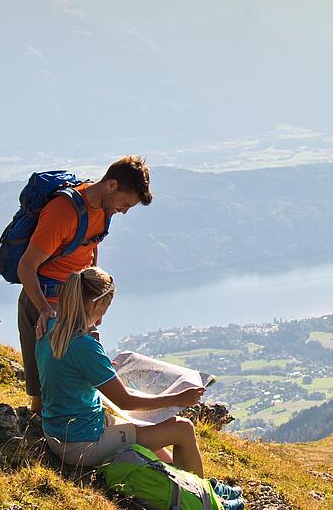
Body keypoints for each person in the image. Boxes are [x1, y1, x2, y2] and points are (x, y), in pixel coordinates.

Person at [36, 266, 209, 472]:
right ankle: (202, 492)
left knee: (150, 437)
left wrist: (100, 369)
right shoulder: (84, 346)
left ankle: (177, 476)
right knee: (183, 429)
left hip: (62, 429)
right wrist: (178, 398)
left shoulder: (49, 325)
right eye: (105, 308)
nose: (101, 319)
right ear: (97, 303)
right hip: (81, 443)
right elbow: (126, 402)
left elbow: (66, 372)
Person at [18, 155, 152, 415]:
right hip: (45, 303)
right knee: (44, 391)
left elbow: (90, 248)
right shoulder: (64, 212)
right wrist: (44, 310)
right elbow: (26, 266)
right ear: (111, 186)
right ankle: (37, 435)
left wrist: (94, 301)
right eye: (125, 204)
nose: (124, 211)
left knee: (79, 384)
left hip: (76, 304)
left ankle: (69, 432)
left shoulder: (102, 210)